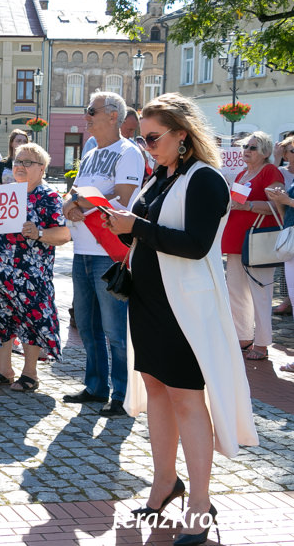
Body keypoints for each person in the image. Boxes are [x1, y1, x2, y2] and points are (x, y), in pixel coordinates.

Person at [105, 92, 258, 544]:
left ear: (181, 135)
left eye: (152, 137)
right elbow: (145, 234)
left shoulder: (206, 179)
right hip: (149, 301)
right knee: (156, 390)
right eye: (143, 137)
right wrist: (110, 220)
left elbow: (194, 245)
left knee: (188, 398)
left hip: (186, 308)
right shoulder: (161, 175)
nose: (146, 145)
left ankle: (200, 501)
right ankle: (164, 484)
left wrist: (135, 227)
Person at [61, 91, 144, 417]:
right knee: (87, 324)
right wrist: (70, 203)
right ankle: (96, 386)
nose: (86, 116)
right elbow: (76, 190)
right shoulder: (91, 151)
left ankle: (121, 394)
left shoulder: (128, 152)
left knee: (114, 329)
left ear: (113, 115)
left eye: (91, 111)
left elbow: (123, 196)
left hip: (108, 251)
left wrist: (81, 202)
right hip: (82, 249)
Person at [0, 143, 70, 392]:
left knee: (32, 320)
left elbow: (63, 234)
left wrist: (38, 232)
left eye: (28, 162)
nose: (20, 166)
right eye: (17, 161)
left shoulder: (48, 196)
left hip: (28, 274)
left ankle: (30, 373)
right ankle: (4, 369)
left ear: (42, 168)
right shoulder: (4, 192)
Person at [221, 131, 284, 361]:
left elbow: (277, 204)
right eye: (245, 146)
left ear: (266, 152)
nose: (246, 150)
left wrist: (247, 206)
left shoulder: (270, 171)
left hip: (257, 240)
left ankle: (263, 343)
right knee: (236, 292)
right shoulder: (241, 173)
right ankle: (243, 337)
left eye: (253, 147)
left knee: (261, 293)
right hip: (237, 240)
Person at [268, 135, 294, 321]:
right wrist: (280, 202)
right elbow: (285, 212)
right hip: (291, 234)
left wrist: (287, 201)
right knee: (292, 289)